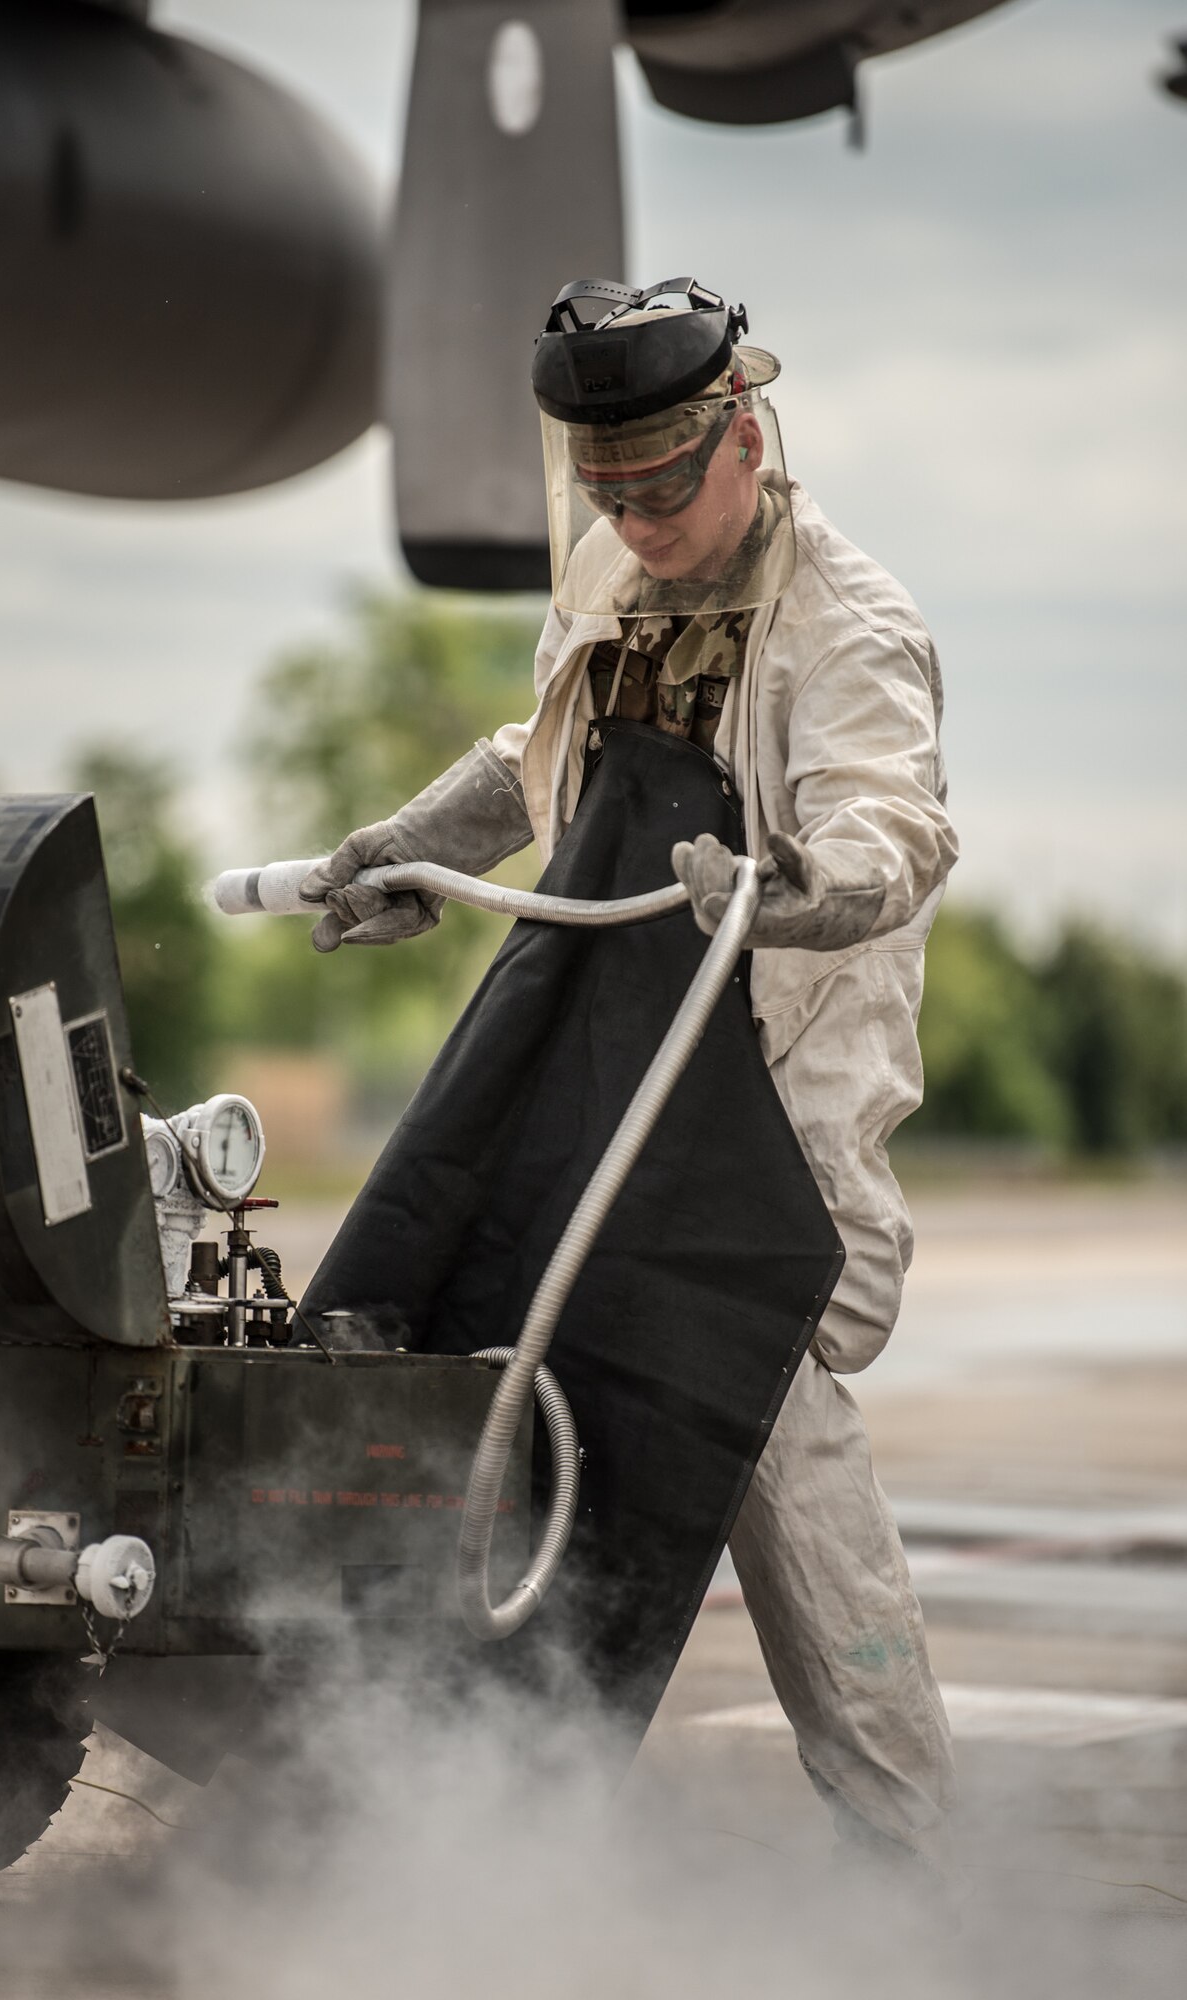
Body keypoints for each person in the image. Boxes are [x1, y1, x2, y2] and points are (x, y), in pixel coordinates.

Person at [301, 278, 959, 1877]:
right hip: (616, 1082)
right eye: (607, 489)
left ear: (746, 435)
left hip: (775, 1119)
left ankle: (917, 1868)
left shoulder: (848, 626)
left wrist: (803, 886)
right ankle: (430, 1803)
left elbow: (898, 825)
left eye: (665, 484)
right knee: (495, 1385)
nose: (639, 519)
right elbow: (537, 761)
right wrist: (413, 847)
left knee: (770, 1416)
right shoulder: (609, 568)